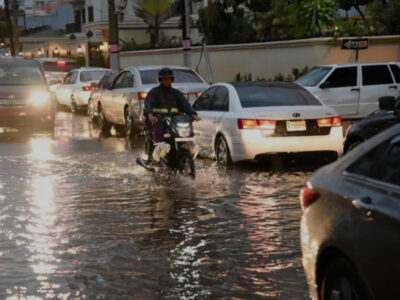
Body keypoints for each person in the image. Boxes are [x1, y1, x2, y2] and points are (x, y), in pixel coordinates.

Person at [143, 67, 201, 163]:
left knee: (186, 134)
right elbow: (148, 103)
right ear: (161, 80)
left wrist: (193, 114)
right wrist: (150, 115)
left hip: (174, 122)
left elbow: (185, 104)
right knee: (159, 135)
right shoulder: (154, 92)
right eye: (165, 79)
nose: (167, 81)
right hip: (159, 121)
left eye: (169, 78)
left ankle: (184, 152)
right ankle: (155, 158)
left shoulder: (176, 93)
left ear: (172, 80)